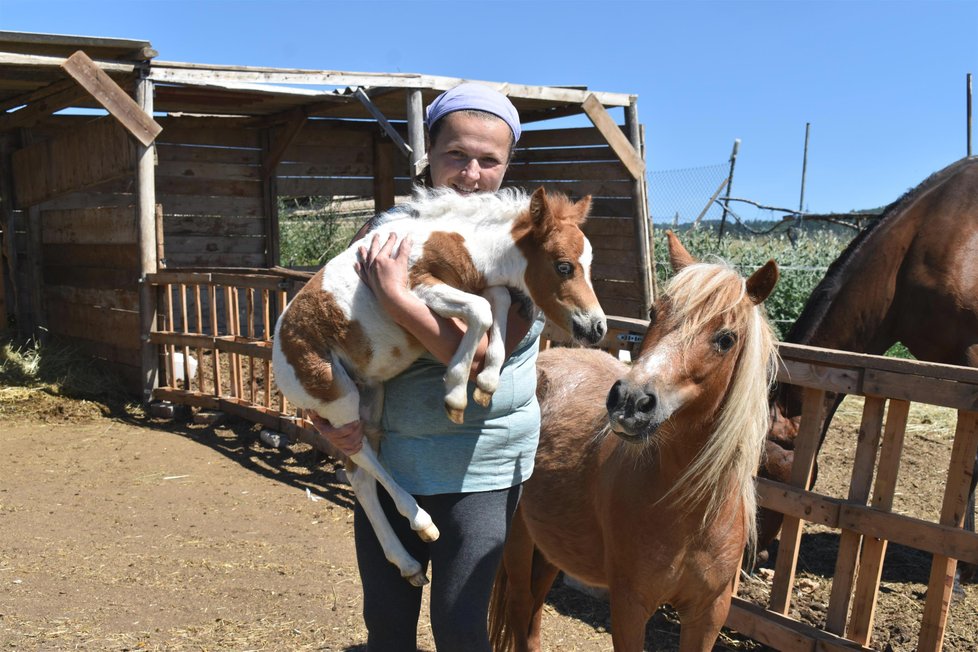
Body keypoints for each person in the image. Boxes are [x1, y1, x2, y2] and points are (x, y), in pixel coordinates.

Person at [312, 83, 545, 652]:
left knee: (460, 629)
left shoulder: (526, 246)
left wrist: (397, 301)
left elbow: (481, 348)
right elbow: (328, 324)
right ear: (429, 158)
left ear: (507, 164)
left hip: (479, 469)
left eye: (489, 160)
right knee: (387, 628)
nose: (470, 173)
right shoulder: (388, 234)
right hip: (394, 457)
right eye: (455, 155)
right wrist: (323, 412)